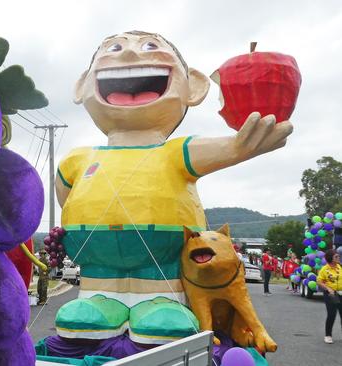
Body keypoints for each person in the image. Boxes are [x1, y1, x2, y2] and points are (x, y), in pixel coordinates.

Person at [53, 30, 292, 343]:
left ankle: (161, 302)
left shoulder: (176, 152)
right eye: (114, 48)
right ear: (82, 85)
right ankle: (99, 300)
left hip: (164, 268)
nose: (129, 55)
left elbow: (230, 147)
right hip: (96, 266)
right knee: (89, 309)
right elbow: (65, 196)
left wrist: (242, 144)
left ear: (193, 87)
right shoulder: (78, 158)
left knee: (162, 310)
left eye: (150, 47)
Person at [316, 250, 342, 344]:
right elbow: (319, 281)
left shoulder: (340, 266)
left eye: (338, 256)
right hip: (331, 294)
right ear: (330, 258)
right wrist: (328, 288)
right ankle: (328, 335)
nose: (338, 258)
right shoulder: (324, 269)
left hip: (341, 292)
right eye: (336, 256)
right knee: (332, 314)